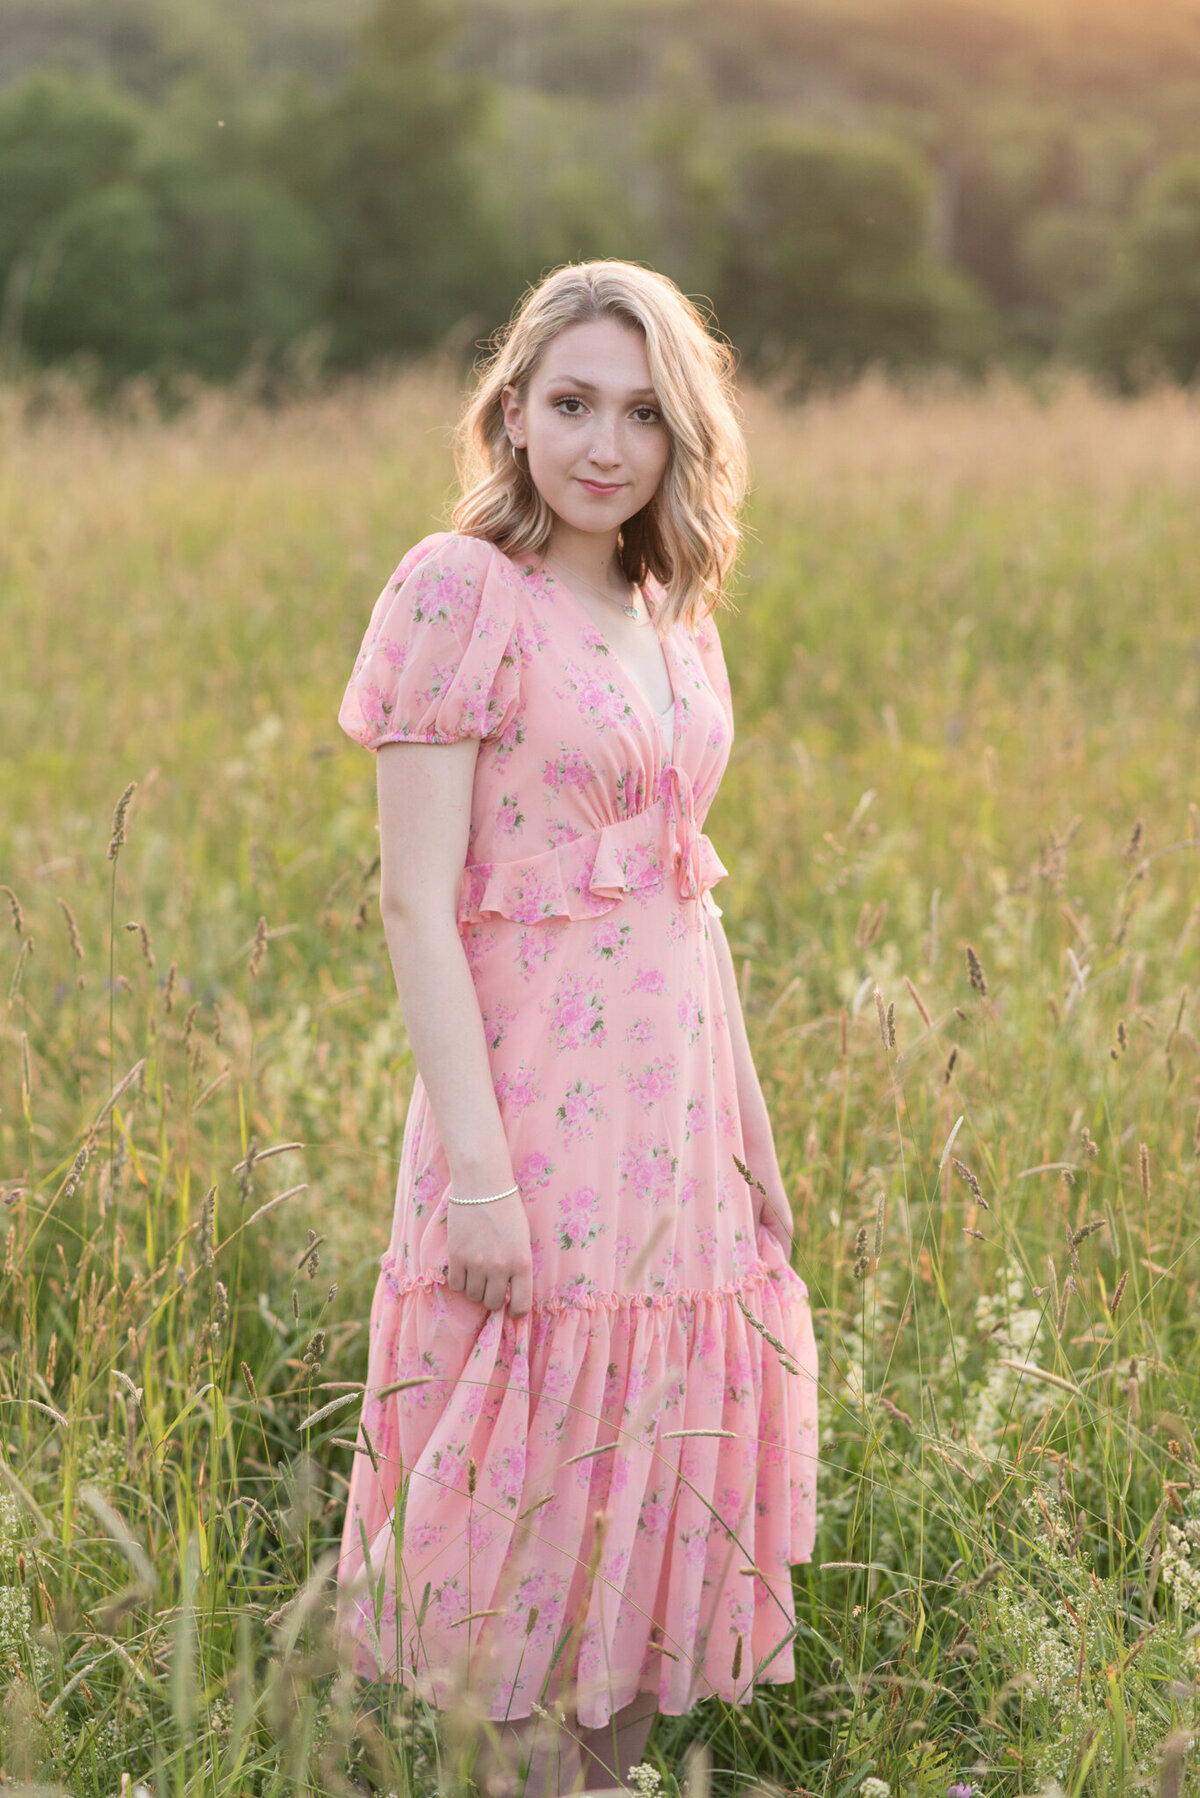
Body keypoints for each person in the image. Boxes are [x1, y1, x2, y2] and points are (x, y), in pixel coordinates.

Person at [333, 259, 818, 1797]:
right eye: (570, 404)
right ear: (513, 410)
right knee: (527, 1552)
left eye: (640, 414)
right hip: (528, 1125)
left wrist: (747, 1139)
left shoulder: (671, 608)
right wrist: (477, 1175)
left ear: (684, 436)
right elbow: (416, 902)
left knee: (645, 1530)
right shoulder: (458, 589)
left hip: (671, 1133)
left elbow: (693, 892)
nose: (604, 445)